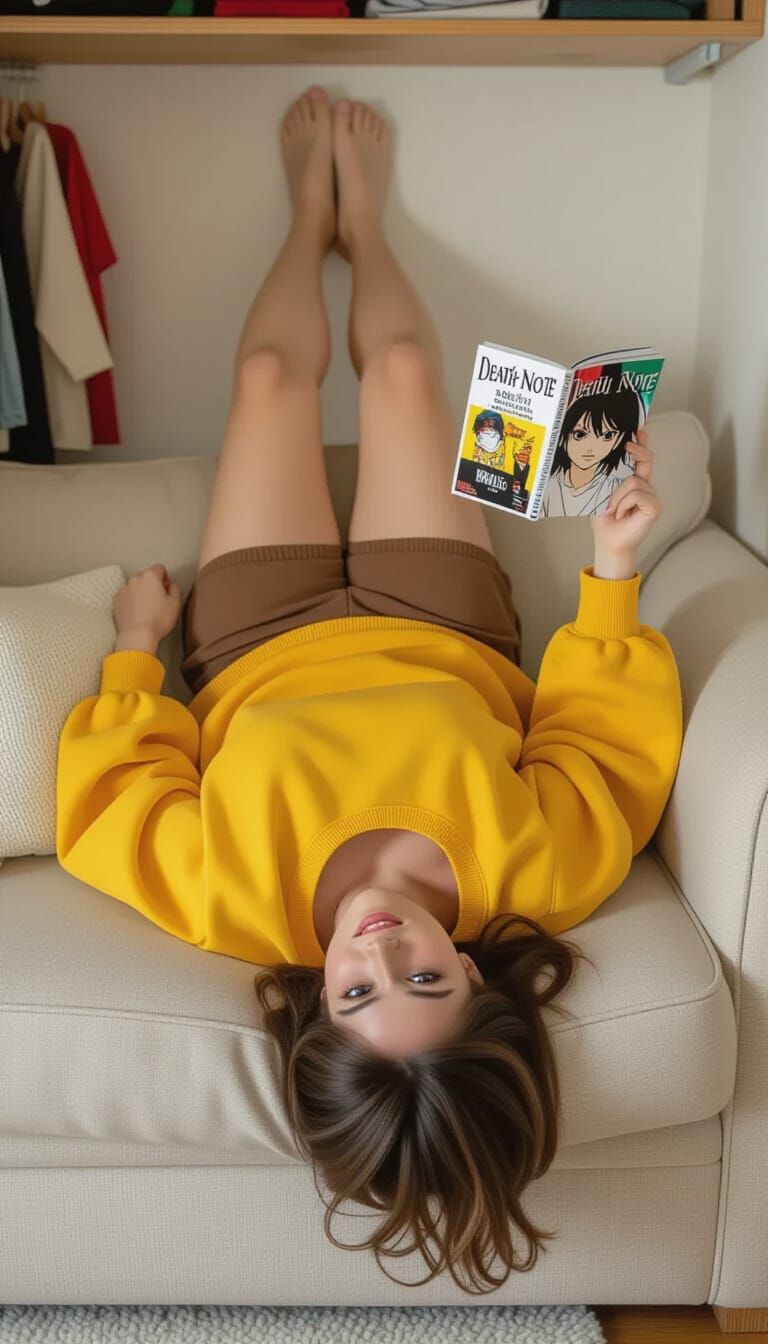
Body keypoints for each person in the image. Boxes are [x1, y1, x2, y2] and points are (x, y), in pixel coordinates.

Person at [56, 87, 684, 1294]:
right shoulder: (538, 872)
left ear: (312, 1009)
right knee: (400, 370)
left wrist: (137, 647)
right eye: (429, 978)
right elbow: (600, 739)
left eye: (355, 988)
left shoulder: (230, 903)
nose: (383, 948)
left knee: (265, 381)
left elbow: (114, 799)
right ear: (483, 981)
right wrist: (611, 570)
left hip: (256, 639)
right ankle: (369, 231)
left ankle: (307, 219)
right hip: (444, 620)